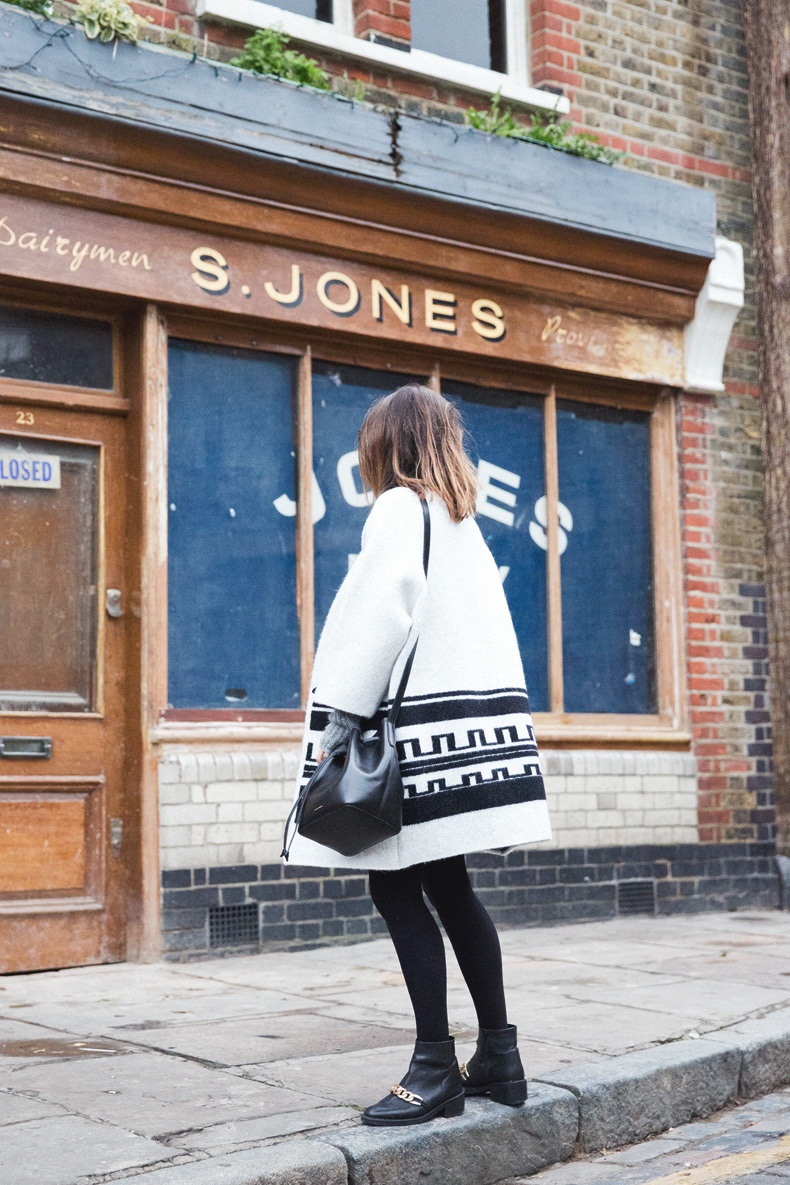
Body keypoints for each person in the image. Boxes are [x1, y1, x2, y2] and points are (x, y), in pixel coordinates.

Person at [285, 384, 552, 1127]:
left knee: (394, 889)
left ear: (387, 445)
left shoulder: (401, 510)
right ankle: (500, 1055)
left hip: (411, 748)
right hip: (462, 742)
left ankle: (434, 1065)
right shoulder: (459, 520)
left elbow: (375, 621)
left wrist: (336, 717)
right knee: (454, 890)